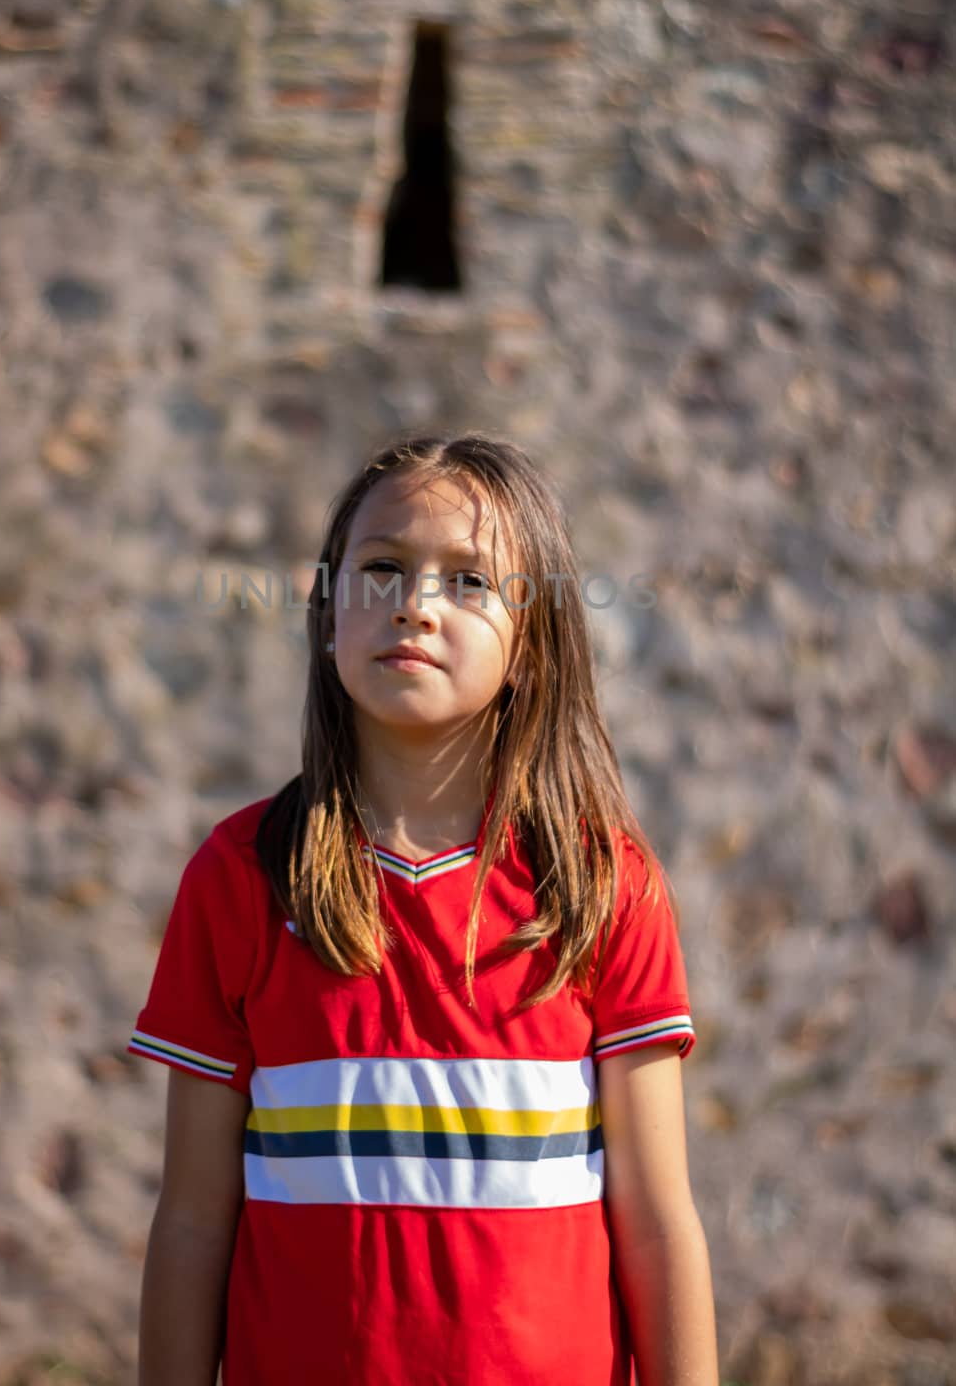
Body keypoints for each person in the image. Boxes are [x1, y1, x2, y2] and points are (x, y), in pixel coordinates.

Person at [129, 430, 720, 1386]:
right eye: (382, 570)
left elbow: (656, 1219)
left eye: (469, 581)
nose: (412, 604)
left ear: (531, 643)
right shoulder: (240, 874)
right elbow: (193, 1218)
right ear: (328, 619)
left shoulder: (602, 881)